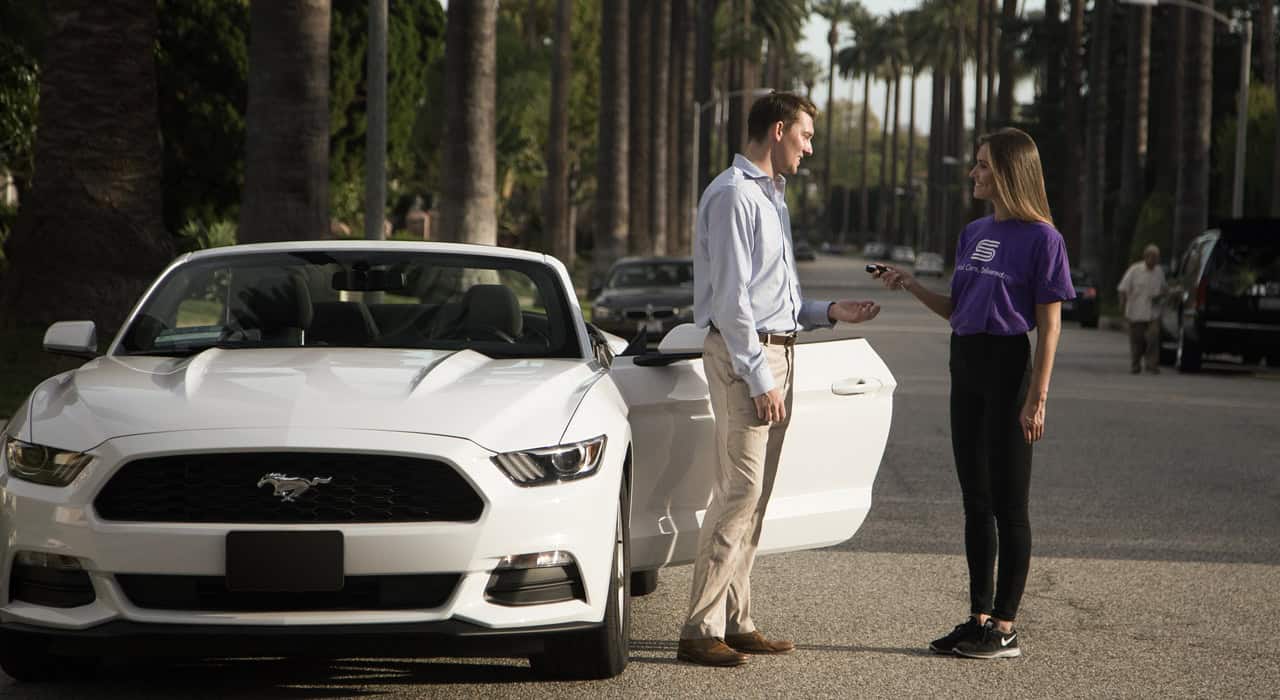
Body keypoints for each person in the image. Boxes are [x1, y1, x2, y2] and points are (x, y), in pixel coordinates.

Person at [676, 91, 881, 667]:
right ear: (777, 130)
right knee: (738, 492)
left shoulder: (773, 199)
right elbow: (733, 303)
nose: (809, 149)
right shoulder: (733, 196)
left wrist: (829, 311)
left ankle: (737, 622)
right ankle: (698, 628)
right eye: (805, 137)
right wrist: (759, 376)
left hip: (777, 354)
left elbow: (776, 298)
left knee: (756, 498)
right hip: (749, 360)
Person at [872, 127, 1073, 660]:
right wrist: (911, 285)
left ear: (1009, 171)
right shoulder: (972, 233)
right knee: (975, 500)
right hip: (966, 361)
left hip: (1009, 368)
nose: (974, 174)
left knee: (1010, 503)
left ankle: (1005, 627)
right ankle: (978, 617)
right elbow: (957, 309)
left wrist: (1038, 397)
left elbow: (1049, 328)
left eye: (983, 165)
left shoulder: (1043, 239)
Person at [1117, 244, 1167, 374]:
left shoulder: (1159, 271)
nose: (1154, 260)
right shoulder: (1135, 270)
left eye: (1157, 258)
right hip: (1136, 312)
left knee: (1153, 337)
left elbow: (1164, 289)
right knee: (1137, 341)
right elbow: (1123, 289)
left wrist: (1162, 296)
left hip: (1153, 312)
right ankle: (1136, 364)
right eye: (1152, 257)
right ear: (1146, 257)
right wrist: (1122, 307)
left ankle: (1152, 365)